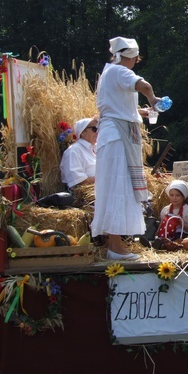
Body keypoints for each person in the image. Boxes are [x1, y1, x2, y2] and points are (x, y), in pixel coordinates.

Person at [91, 36, 161, 260]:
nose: (135, 63)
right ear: (129, 56)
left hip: (114, 133)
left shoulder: (109, 73)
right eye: (134, 59)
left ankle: (117, 244)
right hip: (116, 138)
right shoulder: (120, 71)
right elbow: (145, 85)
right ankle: (115, 247)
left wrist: (140, 112)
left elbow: (117, 107)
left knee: (119, 187)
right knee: (117, 187)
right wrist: (153, 100)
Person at [60, 117, 98, 190]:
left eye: (98, 129)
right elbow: (77, 181)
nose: (97, 132)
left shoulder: (96, 149)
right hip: (84, 198)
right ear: (82, 132)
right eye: (94, 129)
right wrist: (105, 179)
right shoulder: (73, 151)